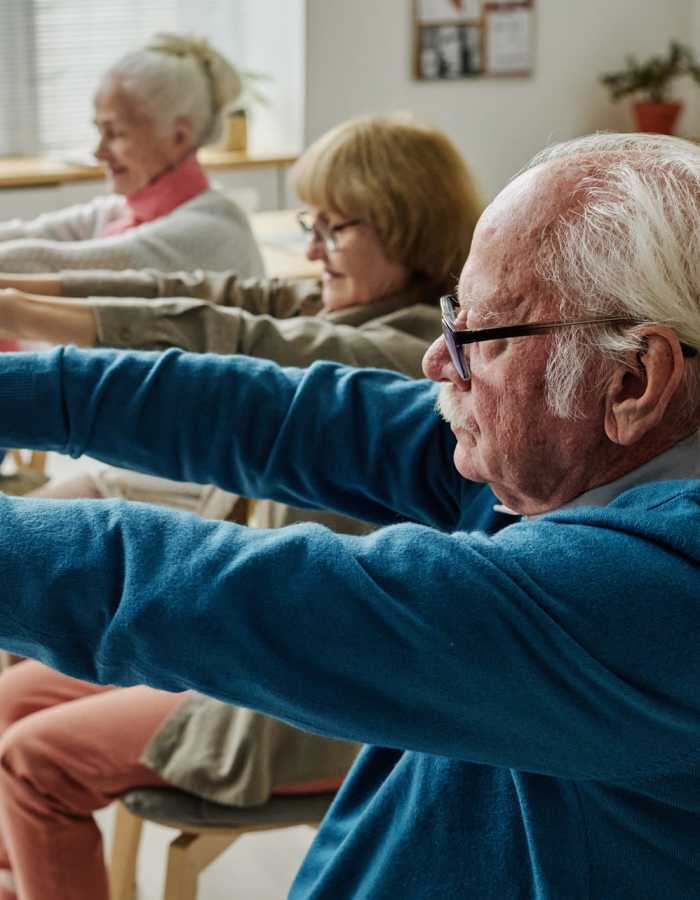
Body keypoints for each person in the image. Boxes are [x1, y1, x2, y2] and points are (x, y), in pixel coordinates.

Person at [0, 131, 697, 899]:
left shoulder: (657, 595)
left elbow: (228, 592)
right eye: (449, 316)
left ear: (633, 380)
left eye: (478, 334)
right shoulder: (570, 455)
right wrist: (26, 390)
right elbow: (279, 416)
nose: (438, 359)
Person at [0, 115, 481, 900]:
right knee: (15, 695)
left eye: (336, 227)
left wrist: (26, 328)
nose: (314, 247)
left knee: (34, 762)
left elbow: (238, 337)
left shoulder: (410, 354)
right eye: (310, 225)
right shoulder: (345, 304)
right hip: (257, 645)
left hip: (314, 693)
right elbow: (201, 293)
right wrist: (15, 302)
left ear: (407, 224)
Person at [0, 33, 263, 277]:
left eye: (115, 133)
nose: (98, 152)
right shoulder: (129, 210)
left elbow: (55, 264)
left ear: (179, 135)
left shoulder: (209, 231)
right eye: (99, 130)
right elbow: (30, 234)